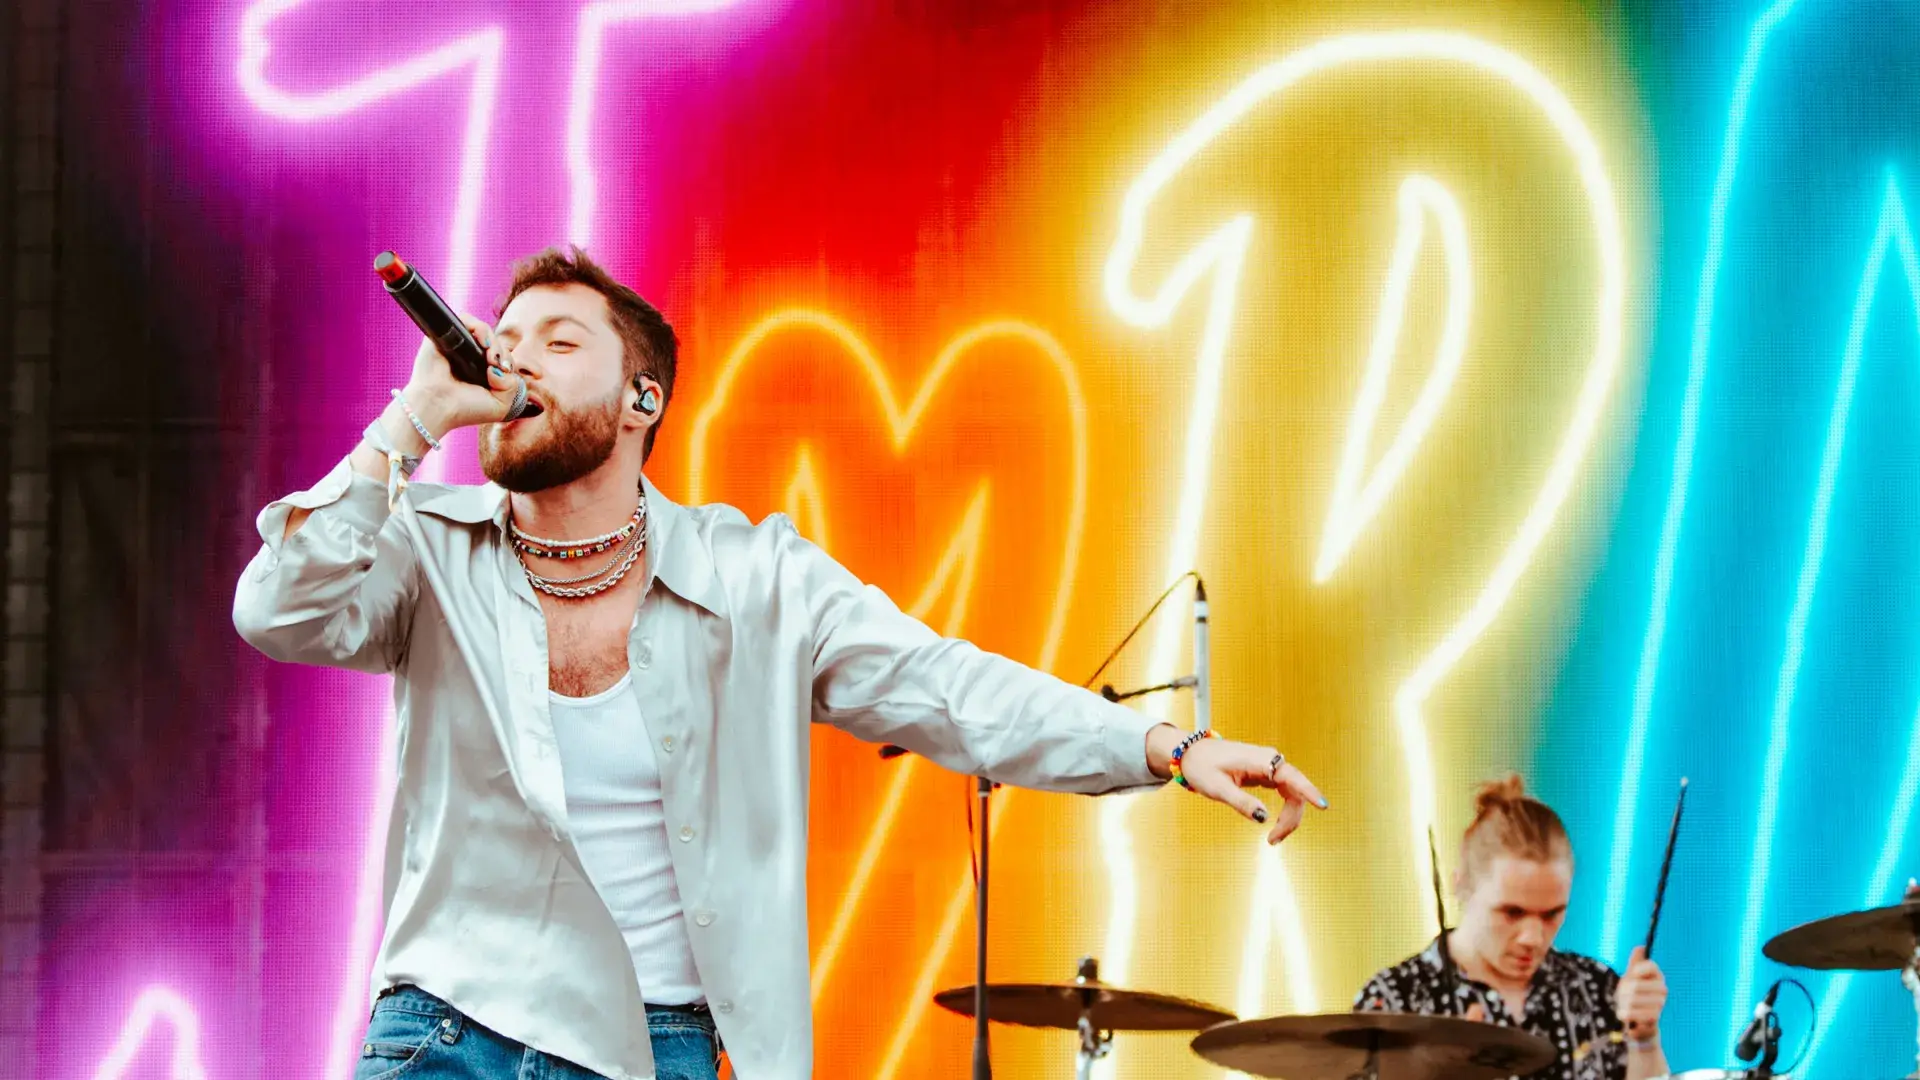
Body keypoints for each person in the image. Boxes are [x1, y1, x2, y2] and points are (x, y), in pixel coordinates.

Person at [232, 246, 1327, 1080]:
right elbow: (278, 607)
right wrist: (415, 415)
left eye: (559, 341)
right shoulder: (423, 545)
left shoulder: (759, 577)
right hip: (447, 1034)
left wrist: (1170, 744)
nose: (512, 359)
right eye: (504, 340)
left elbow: (952, 688)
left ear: (642, 399)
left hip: (658, 1048)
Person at [1353, 775, 1670, 1080]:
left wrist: (1644, 1039)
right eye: (1512, 912)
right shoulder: (1393, 1001)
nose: (1533, 937)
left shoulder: (1596, 986)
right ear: (1461, 885)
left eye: (1552, 914)